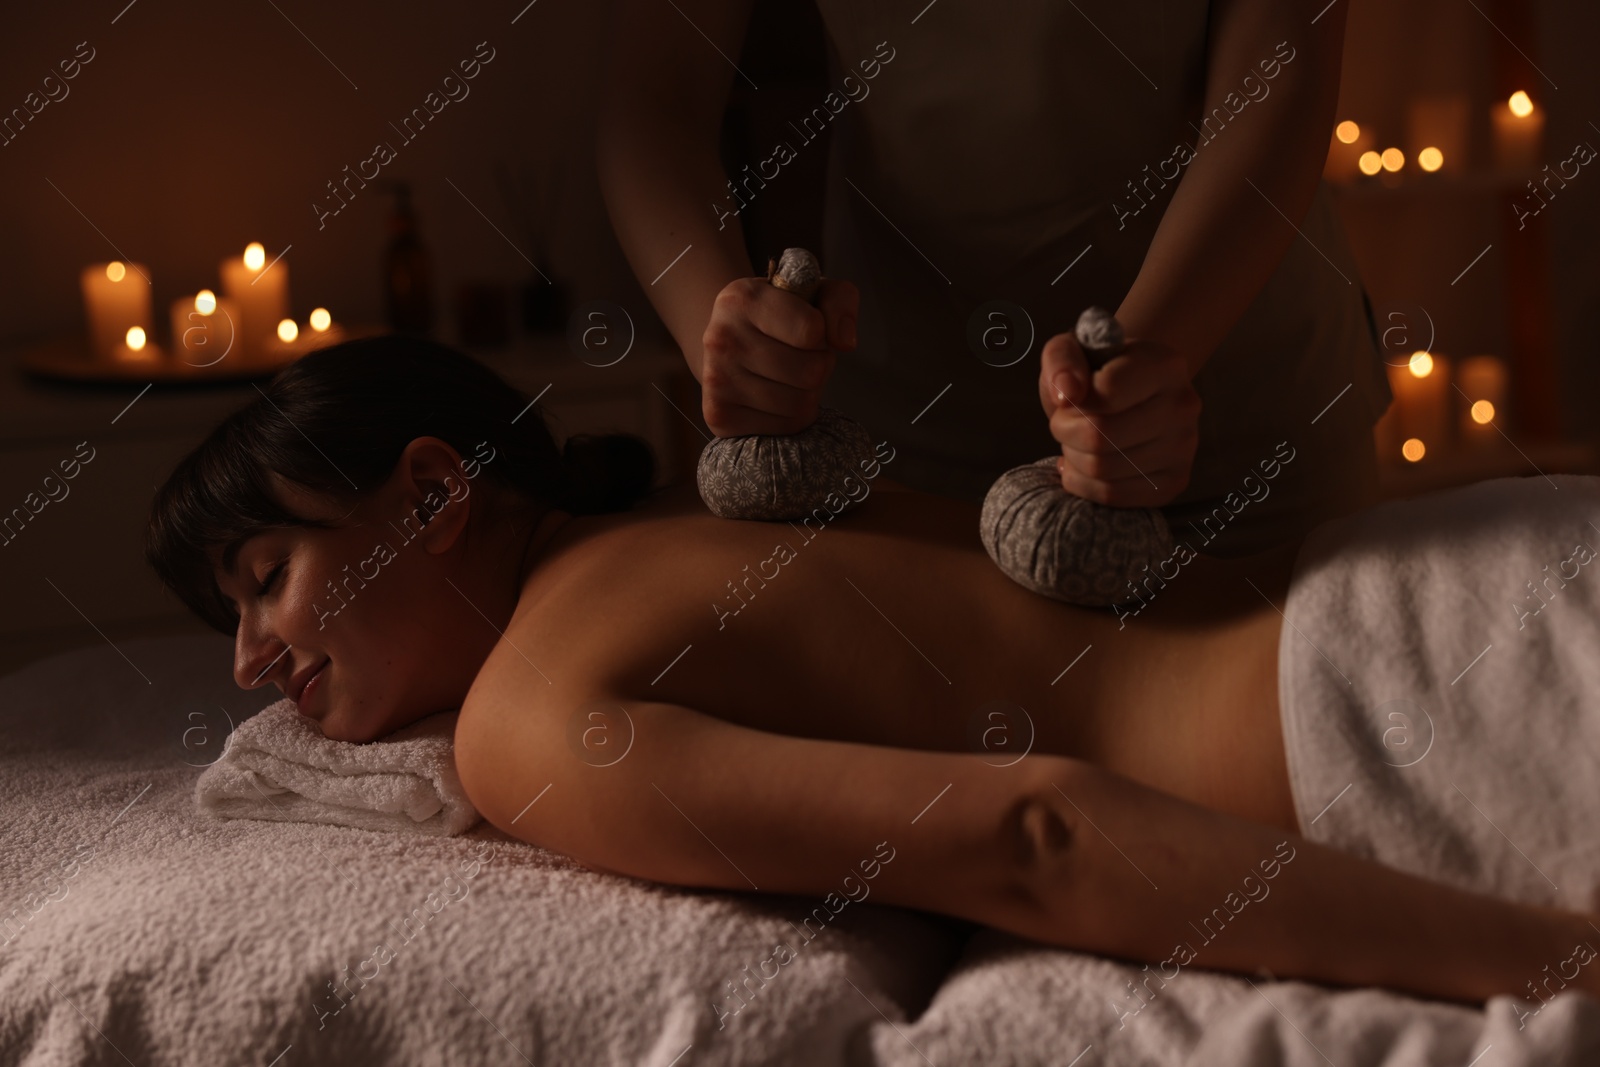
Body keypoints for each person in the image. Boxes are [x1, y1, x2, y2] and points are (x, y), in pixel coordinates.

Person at [147, 339, 1598, 1007]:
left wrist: (1547, 964)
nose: (247, 660)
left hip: (1412, 721)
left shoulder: (526, 722)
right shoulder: (722, 500)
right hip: (1472, 568)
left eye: (267, 574)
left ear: (429, 492)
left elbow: (1035, 832)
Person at [597, 0, 1390, 554]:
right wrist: (718, 320)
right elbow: (653, 92)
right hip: (903, 456)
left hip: (1246, 427)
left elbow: (1277, 72)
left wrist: (1152, 355)